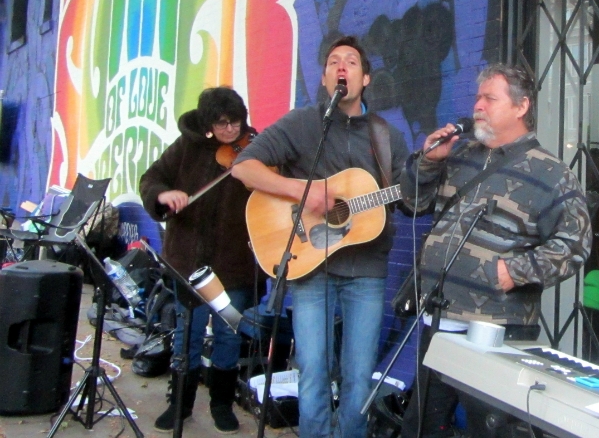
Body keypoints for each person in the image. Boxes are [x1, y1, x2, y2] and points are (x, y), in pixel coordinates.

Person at [399, 63, 592, 437]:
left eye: (490, 98)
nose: (478, 106)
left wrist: (513, 272)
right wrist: (427, 163)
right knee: (420, 427)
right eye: (477, 97)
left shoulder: (551, 173)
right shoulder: (460, 155)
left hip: (496, 327)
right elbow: (414, 203)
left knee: (489, 429)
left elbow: (576, 244)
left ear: (521, 107)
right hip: (438, 319)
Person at [232, 36, 409, 438]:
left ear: (365, 79)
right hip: (310, 265)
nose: (341, 67)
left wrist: (429, 171)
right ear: (327, 78)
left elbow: (410, 198)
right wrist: (302, 191)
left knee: (359, 376)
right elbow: (243, 167)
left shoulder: (387, 137)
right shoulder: (301, 124)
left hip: (367, 270)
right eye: (333, 62)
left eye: (350, 62)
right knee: (312, 371)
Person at [139, 87, 263, 434]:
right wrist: (164, 194)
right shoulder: (187, 146)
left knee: (228, 335)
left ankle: (222, 404)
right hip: (189, 261)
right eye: (220, 124)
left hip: (234, 262)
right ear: (208, 124)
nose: (229, 130)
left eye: (234, 122)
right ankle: (180, 403)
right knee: (187, 335)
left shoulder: (256, 148)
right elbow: (151, 178)